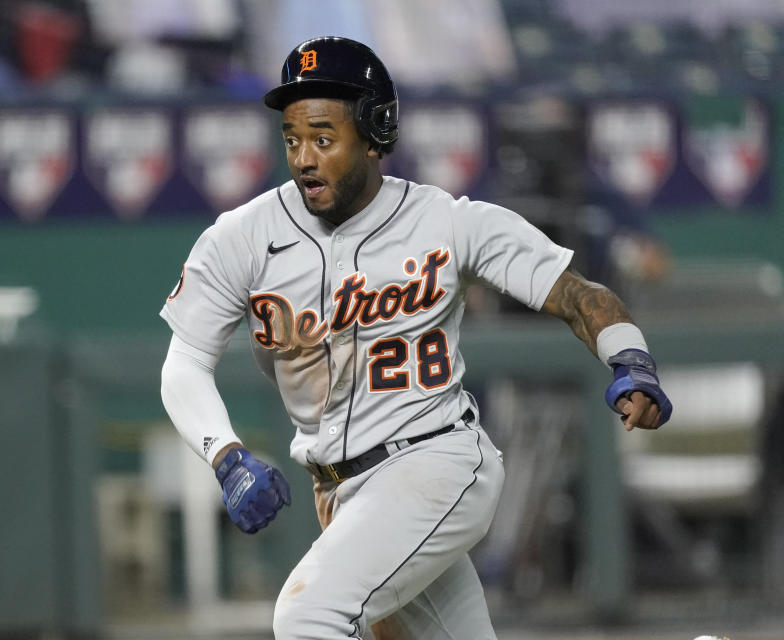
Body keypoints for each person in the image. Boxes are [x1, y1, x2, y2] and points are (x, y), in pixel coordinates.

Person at [159, 36, 672, 639]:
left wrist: (629, 357)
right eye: (293, 138)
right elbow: (185, 362)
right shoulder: (242, 237)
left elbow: (579, 295)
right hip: (345, 494)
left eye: (324, 138)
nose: (303, 157)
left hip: (437, 462)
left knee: (307, 614)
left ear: (376, 134)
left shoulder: (446, 221)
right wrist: (225, 453)